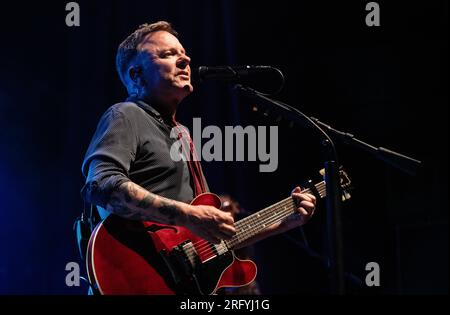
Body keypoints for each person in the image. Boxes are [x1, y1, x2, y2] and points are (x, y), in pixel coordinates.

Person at [80, 21, 316, 289]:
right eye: (167, 54)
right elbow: (101, 186)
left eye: (183, 52)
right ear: (136, 75)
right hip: (135, 278)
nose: (185, 59)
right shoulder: (125, 114)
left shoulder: (182, 134)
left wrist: (282, 223)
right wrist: (188, 215)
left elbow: (207, 242)